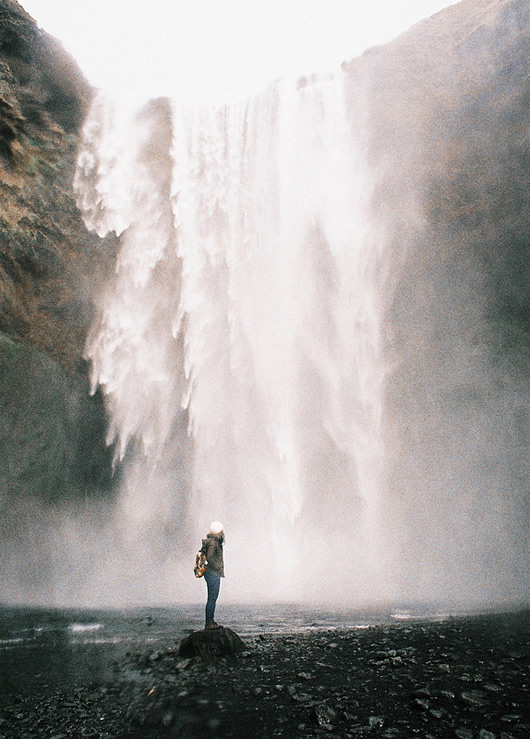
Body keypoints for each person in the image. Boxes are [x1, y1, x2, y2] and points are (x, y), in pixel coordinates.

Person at [201, 521, 225, 630]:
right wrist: (217, 567)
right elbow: (210, 557)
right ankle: (209, 623)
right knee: (212, 599)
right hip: (212, 573)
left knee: (212, 598)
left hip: (210, 573)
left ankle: (210, 621)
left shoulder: (212, 542)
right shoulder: (214, 543)